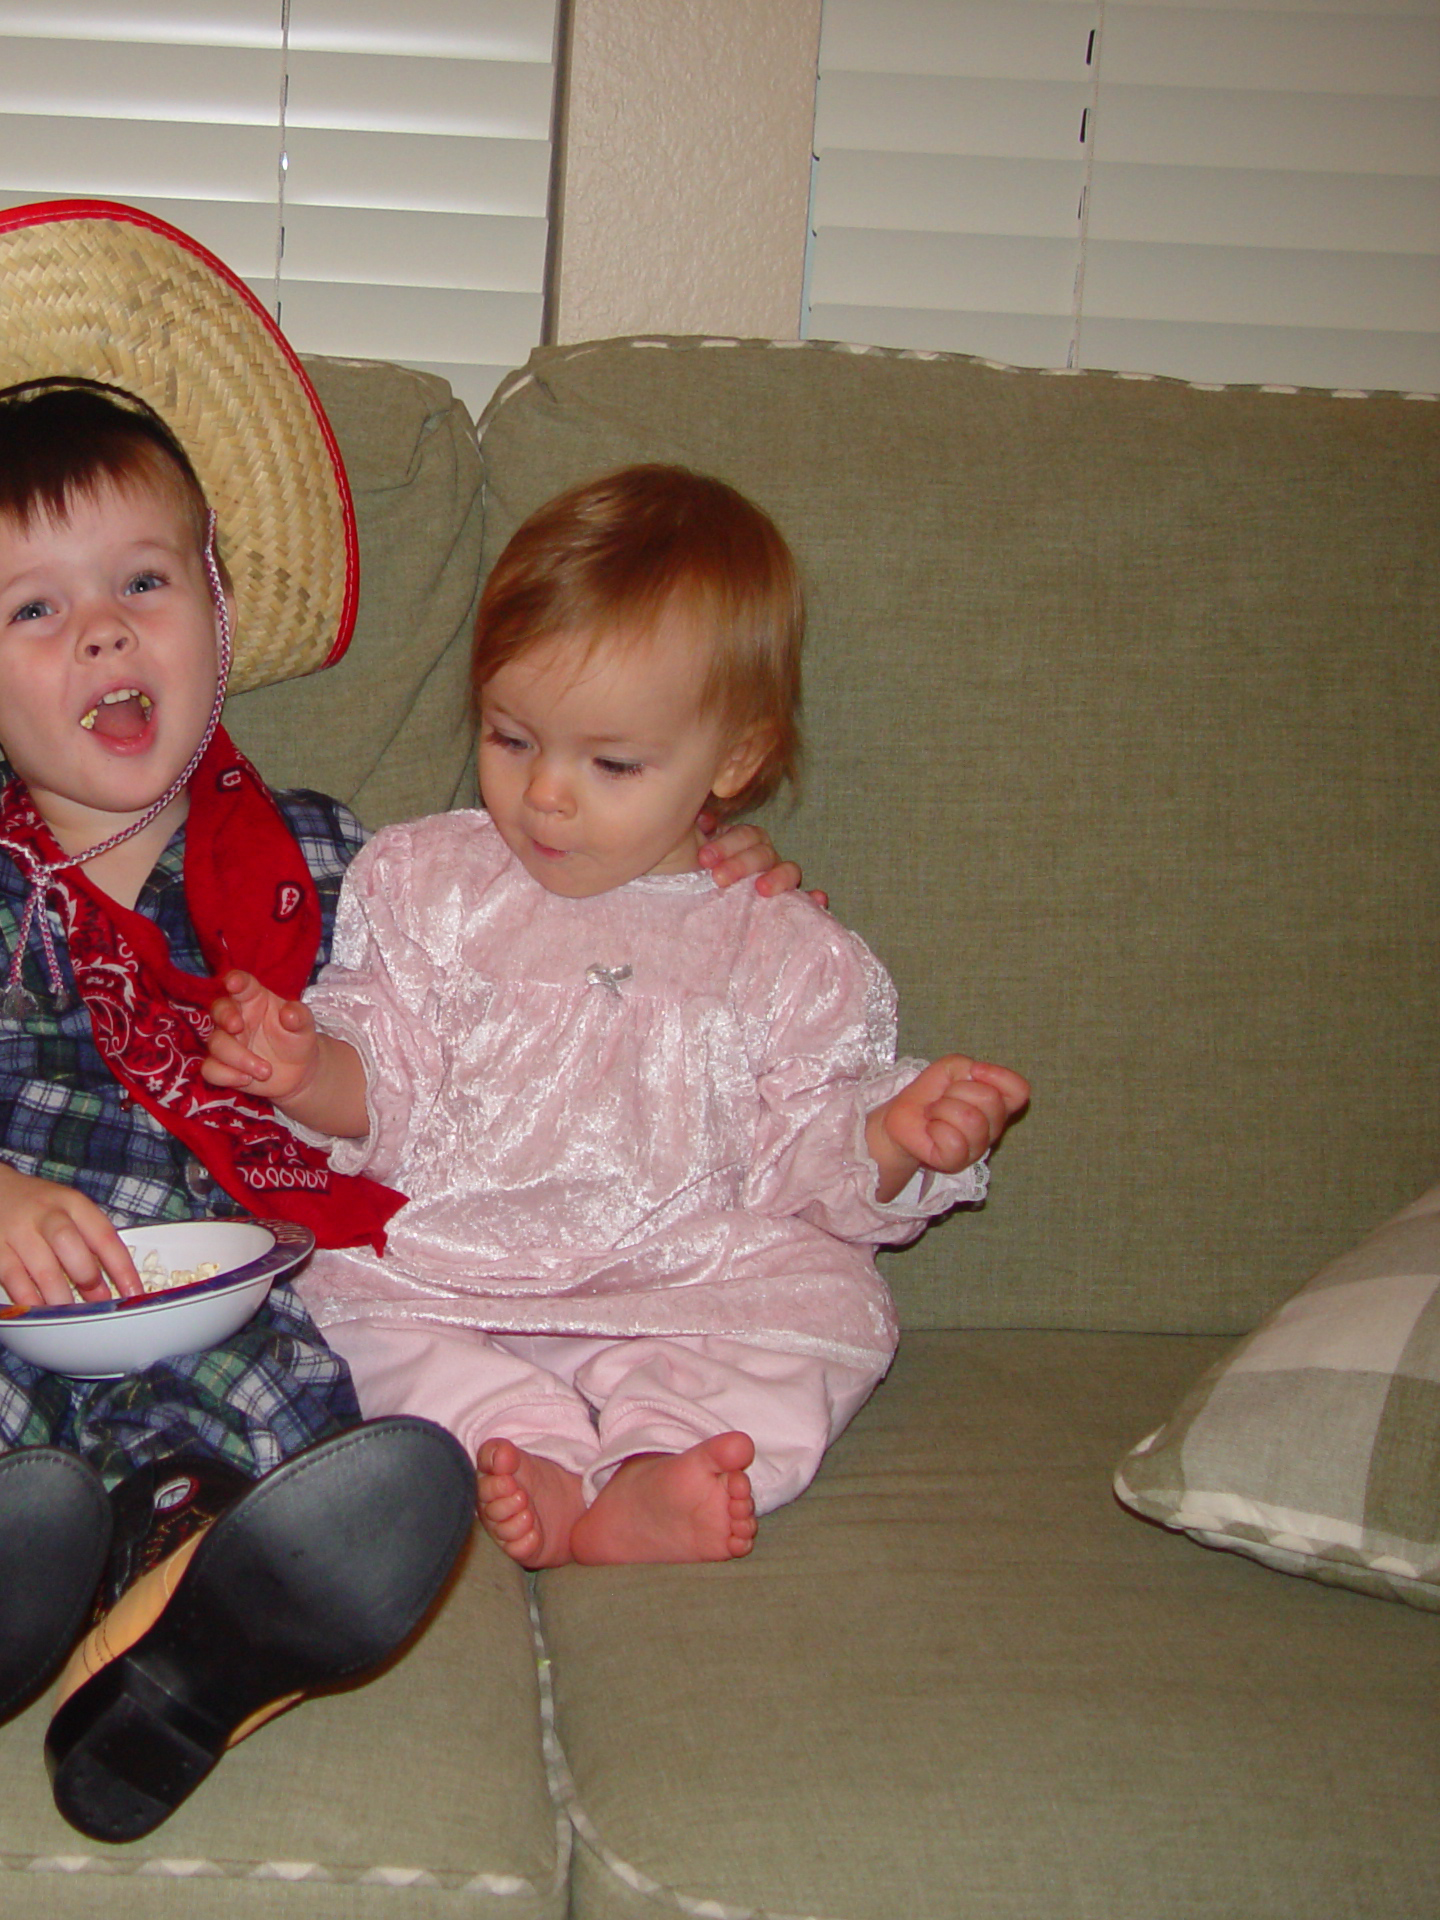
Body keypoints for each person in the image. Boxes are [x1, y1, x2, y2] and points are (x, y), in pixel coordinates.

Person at [0, 208, 802, 1857]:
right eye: (39, 614)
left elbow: (522, 941)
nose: (109, 635)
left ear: (216, 599)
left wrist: (685, 881)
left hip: (226, 1303)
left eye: (143, 582)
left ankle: (175, 1659)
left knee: (290, 1413)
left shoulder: (354, 870)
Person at [204, 464, 1028, 1572]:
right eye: (511, 738)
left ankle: (655, 1471)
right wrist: (309, 1070)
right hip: (455, 1263)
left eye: (611, 763)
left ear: (731, 760)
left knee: (833, 1315)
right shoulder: (428, 883)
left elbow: (798, 1155)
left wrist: (889, 1138)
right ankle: (521, 1449)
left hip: (688, 1281)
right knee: (335, 1308)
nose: (546, 794)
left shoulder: (779, 946)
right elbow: (385, 1070)